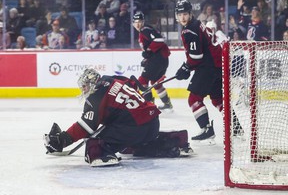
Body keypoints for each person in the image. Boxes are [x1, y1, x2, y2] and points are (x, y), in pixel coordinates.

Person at [44, 68, 193, 167]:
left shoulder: (96, 97)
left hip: (136, 128)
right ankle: (174, 142)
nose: (83, 90)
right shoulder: (113, 79)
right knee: (130, 144)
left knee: (95, 143)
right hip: (153, 123)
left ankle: (104, 155)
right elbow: (133, 83)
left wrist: (63, 140)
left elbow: (86, 126)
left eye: (85, 86)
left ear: (92, 84)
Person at [174, 0, 243, 142]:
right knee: (218, 99)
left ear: (190, 14)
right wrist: (187, 67)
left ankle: (206, 129)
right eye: (180, 15)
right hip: (218, 66)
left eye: (185, 14)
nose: (183, 17)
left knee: (194, 99)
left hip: (208, 67)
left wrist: (185, 68)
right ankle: (236, 128)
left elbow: (196, 56)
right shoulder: (198, 24)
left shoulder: (189, 30)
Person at [132, 11, 173, 111]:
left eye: (140, 21)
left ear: (143, 22)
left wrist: (149, 50)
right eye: (136, 22)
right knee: (156, 82)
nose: (138, 24)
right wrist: (147, 57)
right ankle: (167, 104)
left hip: (158, 60)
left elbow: (159, 40)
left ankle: (150, 106)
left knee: (142, 81)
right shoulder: (146, 29)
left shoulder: (145, 29)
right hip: (162, 60)